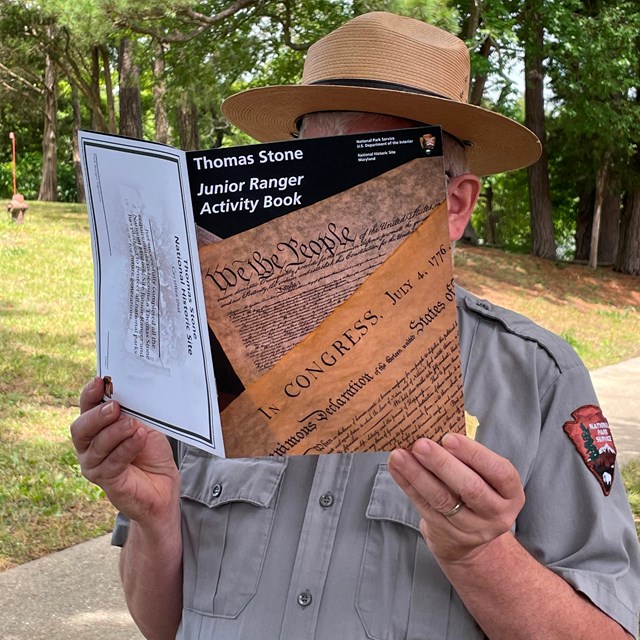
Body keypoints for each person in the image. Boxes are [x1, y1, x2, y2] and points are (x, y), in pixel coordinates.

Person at [71, 12, 640, 640]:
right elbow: (163, 625)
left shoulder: (536, 377)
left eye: (369, 175)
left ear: (454, 206)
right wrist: (153, 518)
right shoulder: (202, 354)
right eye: (309, 172)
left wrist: (480, 554)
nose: (329, 208)